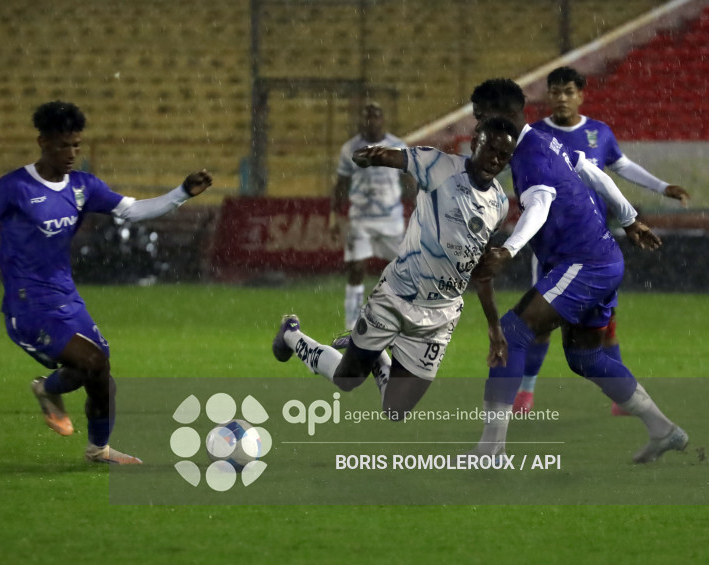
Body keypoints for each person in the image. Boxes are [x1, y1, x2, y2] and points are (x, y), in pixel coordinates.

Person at [0, 101, 212, 464]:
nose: (72, 153)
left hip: (66, 296)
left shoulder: (83, 186)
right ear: (43, 142)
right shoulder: (14, 187)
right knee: (92, 361)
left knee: (101, 371)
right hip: (27, 305)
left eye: (77, 145)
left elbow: (132, 210)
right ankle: (49, 391)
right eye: (64, 145)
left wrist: (182, 193)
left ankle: (95, 445)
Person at [468, 78, 688, 463]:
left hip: (583, 263)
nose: (477, 129)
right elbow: (591, 171)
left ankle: (490, 450)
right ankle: (663, 430)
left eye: (479, 119)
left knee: (515, 332)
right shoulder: (540, 138)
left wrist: (508, 250)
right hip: (602, 259)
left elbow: (538, 202)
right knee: (584, 358)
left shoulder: (529, 157)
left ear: (495, 117)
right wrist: (630, 218)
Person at [274, 117, 518, 420]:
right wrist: (373, 156)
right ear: (476, 140)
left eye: (504, 155)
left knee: (395, 412)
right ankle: (291, 336)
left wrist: (494, 328)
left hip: (440, 317)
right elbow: (398, 157)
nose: (495, 158)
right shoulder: (438, 165)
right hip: (397, 296)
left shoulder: (499, 203)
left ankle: (376, 358)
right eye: (490, 148)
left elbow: (481, 269)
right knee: (346, 379)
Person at [513, 66, 691, 415]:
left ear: (581, 94)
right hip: (551, 247)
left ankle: (622, 398)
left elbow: (621, 167)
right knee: (541, 322)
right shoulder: (532, 135)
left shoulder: (598, 133)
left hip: (594, 244)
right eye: (554, 91)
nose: (561, 98)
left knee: (605, 323)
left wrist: (661, 187)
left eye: (567, 91)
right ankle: (526, 393)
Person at [329, 102, 416, 330]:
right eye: (368, 117)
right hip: (360, 220)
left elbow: (409, 181)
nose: (372, 121)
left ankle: (401, 318)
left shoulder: (397, 146)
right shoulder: (350, 149)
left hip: (391, 220)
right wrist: (334, 216)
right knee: (356, 268)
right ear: (362, 120)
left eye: (376, 116)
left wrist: (418, 211)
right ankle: (351, 324)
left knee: (402, 270)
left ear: (383, 120)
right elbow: (341, 185)